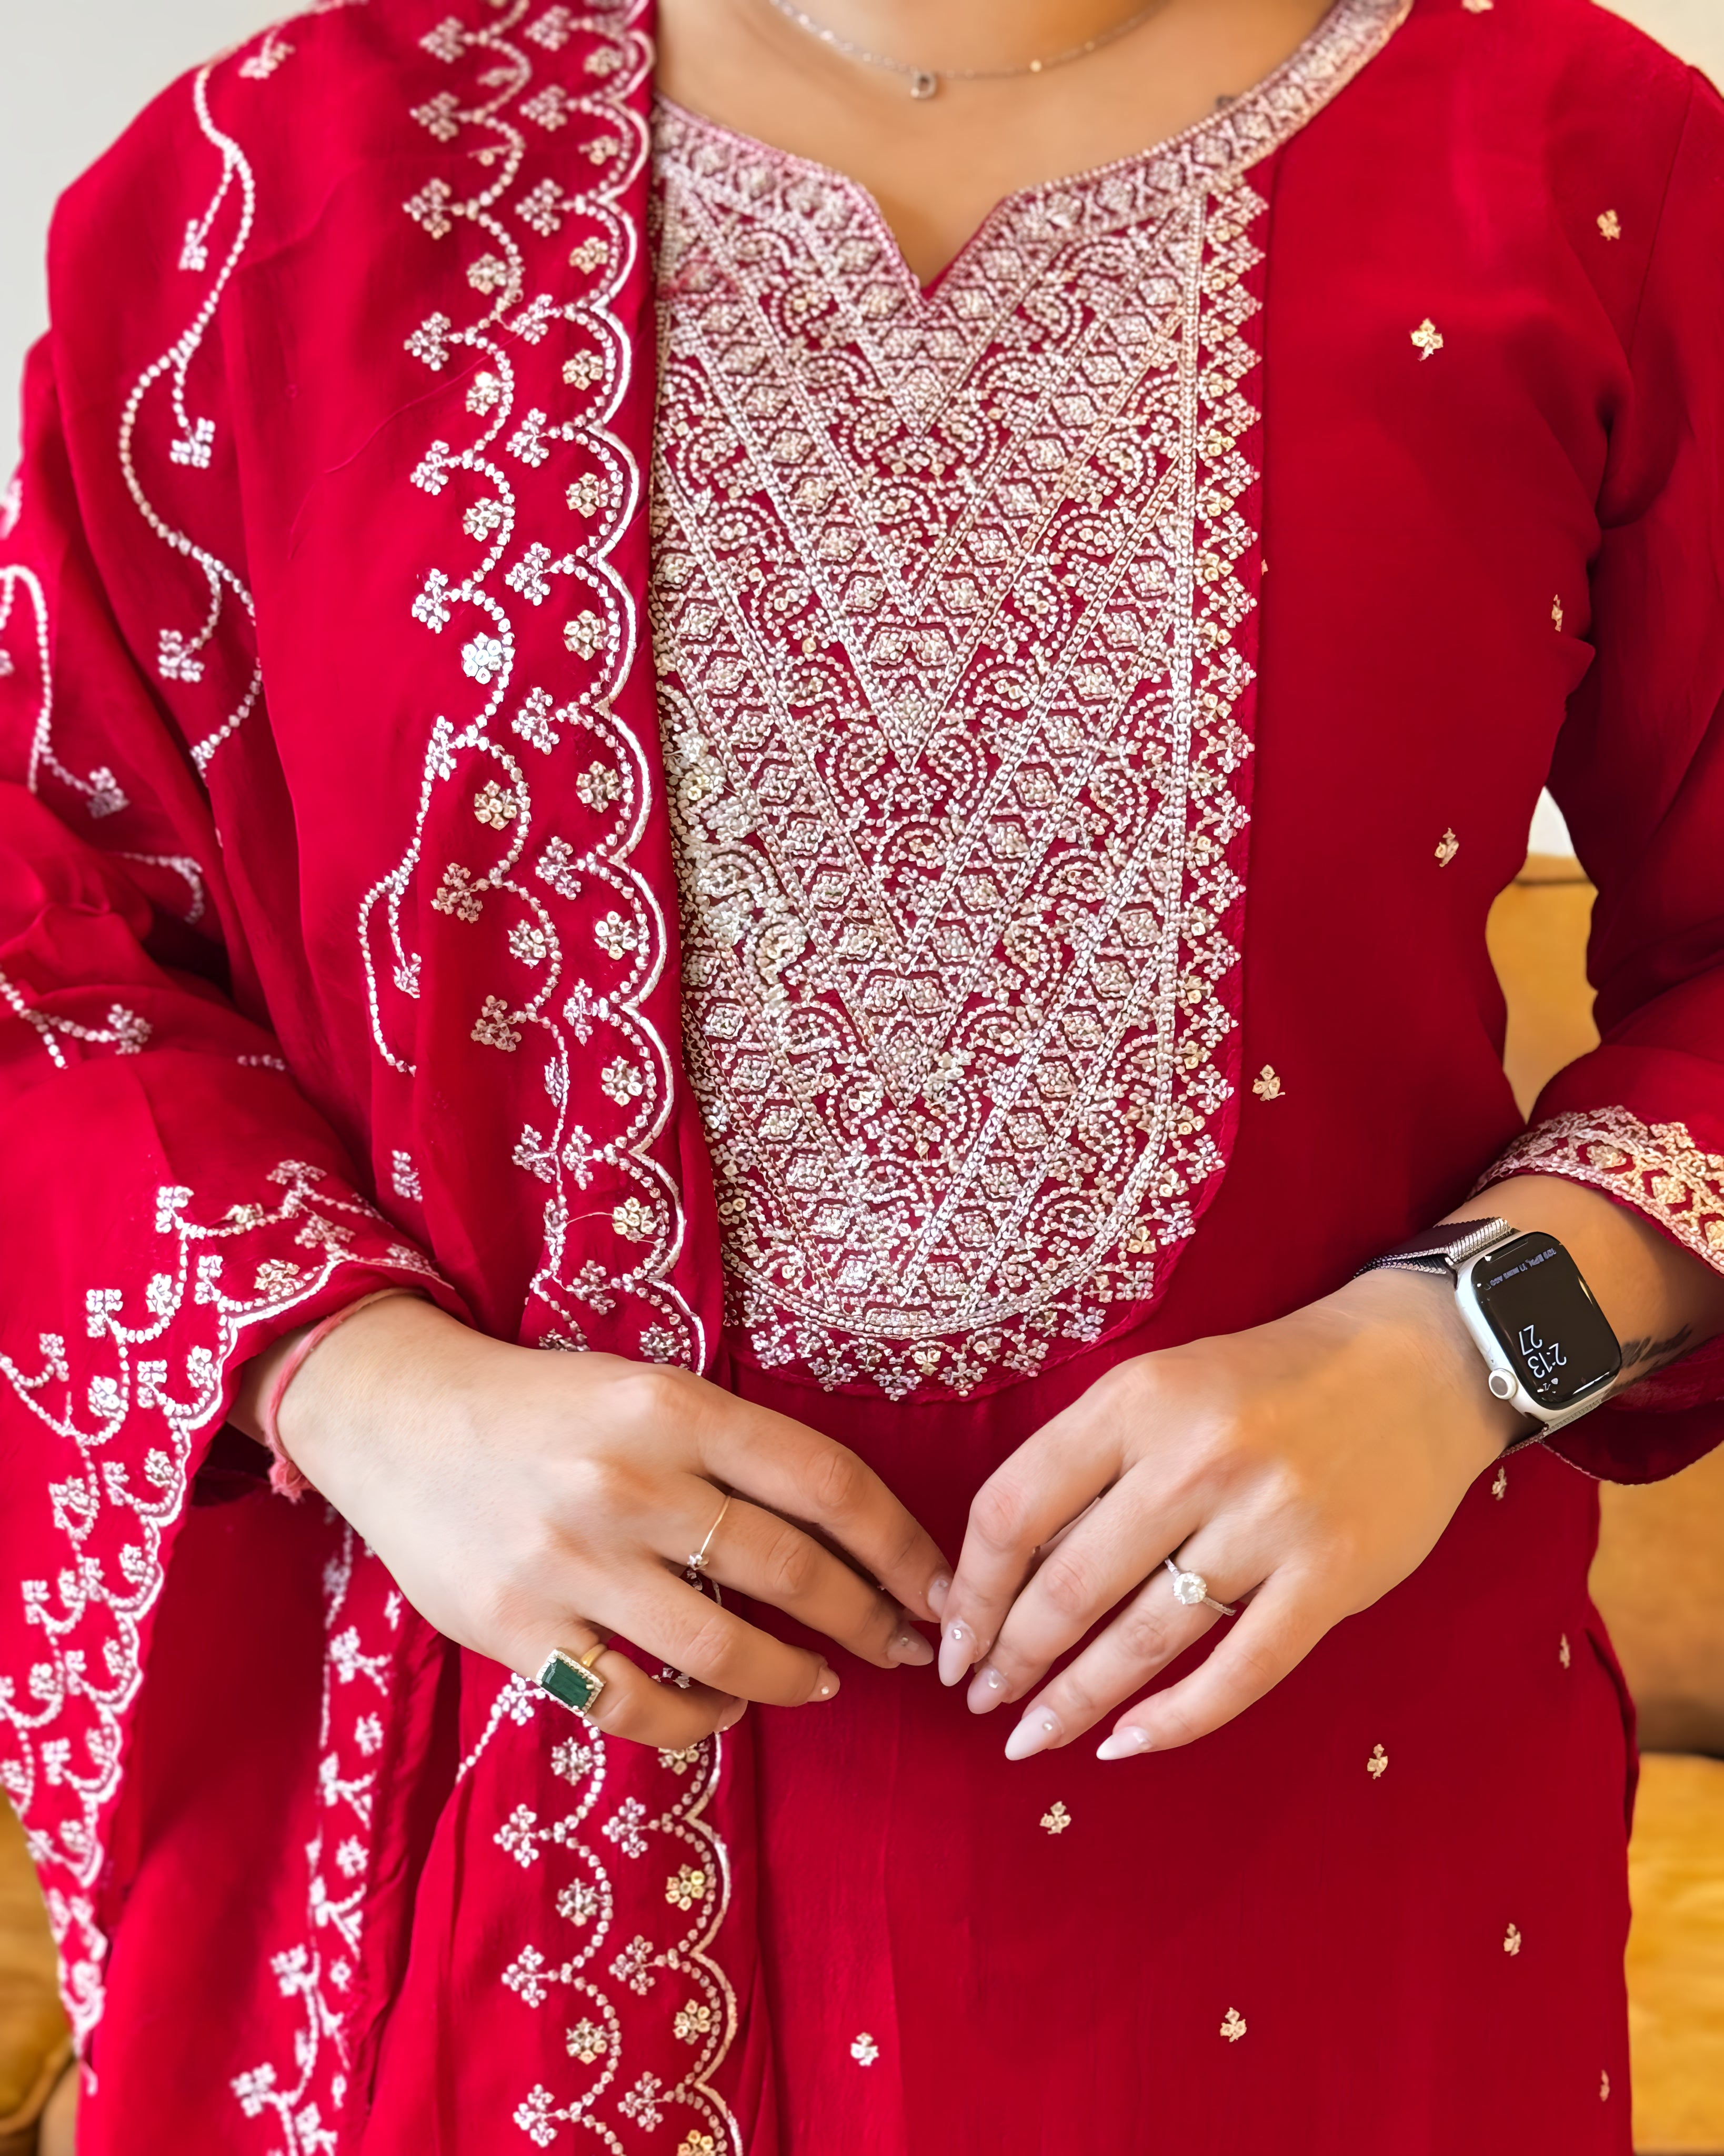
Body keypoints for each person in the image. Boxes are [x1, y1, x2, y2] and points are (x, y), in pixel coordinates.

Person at [4, 0, 1723, 2146]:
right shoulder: (281, 187)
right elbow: (55, 963)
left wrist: (1466, 1343)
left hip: (1312, 1850)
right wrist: (360, 1386)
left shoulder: (1585, 162)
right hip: (528, 1845)